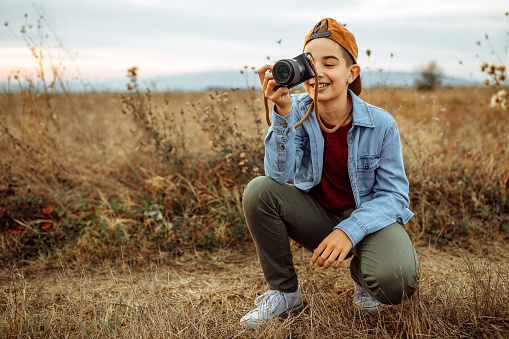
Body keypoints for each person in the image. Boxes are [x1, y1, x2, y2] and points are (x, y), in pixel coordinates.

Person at [240, 18, 419, 329]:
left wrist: (349, 231)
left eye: (330, 63)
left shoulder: (382, 123)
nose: (318, 73)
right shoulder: (293, 109)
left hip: (370, 219)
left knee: (397, 282)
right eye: (310, 65)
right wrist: (281, 115)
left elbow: (394, 196)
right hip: (319, 216)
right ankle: (285, 294)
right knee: (259, 190)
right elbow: (278, 177)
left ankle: (364, 276)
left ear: (352, 73)